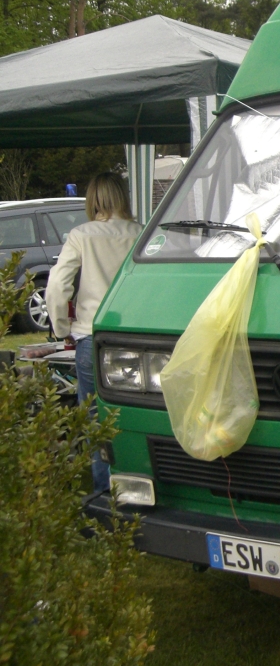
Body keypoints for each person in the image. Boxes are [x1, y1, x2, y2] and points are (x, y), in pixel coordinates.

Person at [46, 172, 143, 492]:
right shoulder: (141, 233)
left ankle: (106, 496)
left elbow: (57, 286)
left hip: (93, 336)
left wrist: (62, 328)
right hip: (139, 338)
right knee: (139, 417)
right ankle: (141, 486)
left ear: (92, 200)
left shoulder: (81, 235)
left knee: (95, 422)